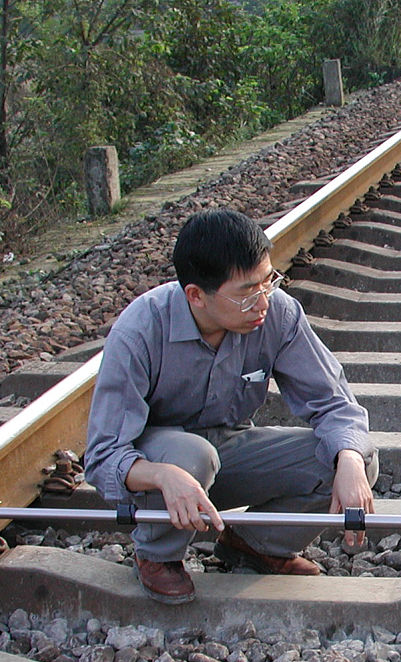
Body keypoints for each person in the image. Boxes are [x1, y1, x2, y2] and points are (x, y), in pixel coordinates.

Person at [84, 209, 377, 604]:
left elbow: (335, 404)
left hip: (228, 451)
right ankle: (157, 555)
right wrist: (161, 476)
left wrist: (350, 461)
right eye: (246, 292)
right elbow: (103, 456)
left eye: (268, 282)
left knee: (352, 455)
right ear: (196, 296)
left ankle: (254, 544)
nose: (262, 302)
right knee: (192, 456)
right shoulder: (141, 331)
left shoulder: (278, 313)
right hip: (162, 471)